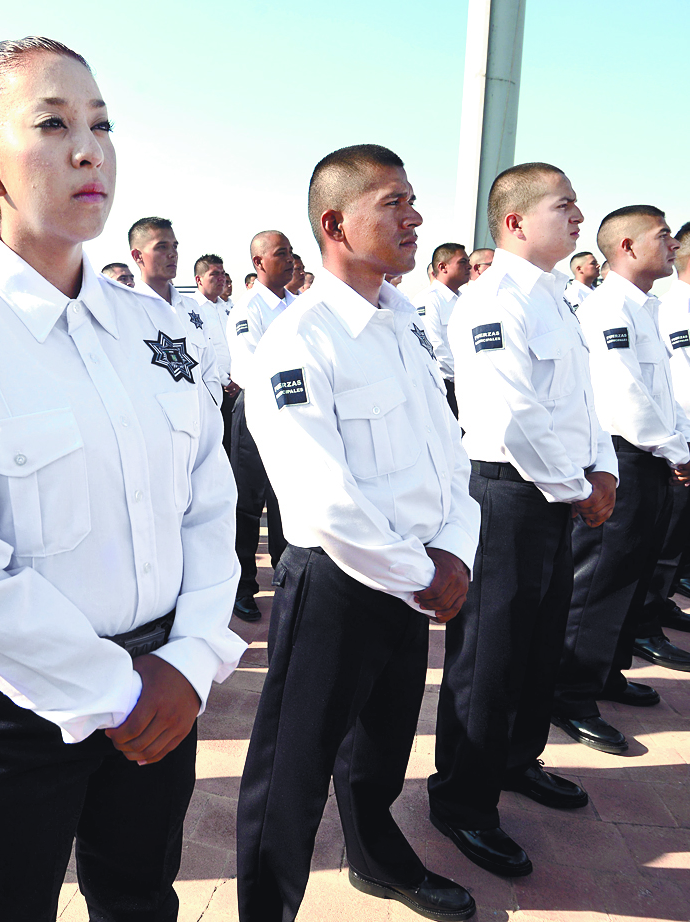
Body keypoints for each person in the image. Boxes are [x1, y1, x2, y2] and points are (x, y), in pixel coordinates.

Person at [0, 36, 245, 922]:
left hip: (162, 687)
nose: (89, 149)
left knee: (137, 901)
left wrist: (190, 661)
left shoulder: (152, 330)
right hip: (13, 710)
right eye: (51, 125)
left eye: (100, 123)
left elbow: (208, 503)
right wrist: (119, 691)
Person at [237, 144, 479, 922]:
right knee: (292, 773)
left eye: (413, 202)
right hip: (342, 581)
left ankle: (377, 860)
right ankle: (266, 909)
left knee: (379, 750)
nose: (414, 218)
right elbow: (320, 492)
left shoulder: (402, 325)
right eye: (393, 204)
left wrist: (454, 551)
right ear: (335, 222)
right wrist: (423, 568)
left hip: (415, 575)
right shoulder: (300, 338)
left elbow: (448, 452)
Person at [431, 162, 617, 877]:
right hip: (506, 495)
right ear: (513, 221)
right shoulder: (488, 299)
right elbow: (511, 414)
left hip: (558, 493)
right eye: (563, 205)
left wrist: (602, 470)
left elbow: (579, 402)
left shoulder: (559, 300)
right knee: (489, 657)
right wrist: (578, 485)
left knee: (537, 646)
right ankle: (461, 801)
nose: (577, 217)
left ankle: (515, 760)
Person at [552, 206, 690, 755]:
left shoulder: (645, 306)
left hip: (654, 456)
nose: (672, 244)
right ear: (628, 246)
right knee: (600, 581)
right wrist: (678, 446)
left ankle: (605, 672)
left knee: (632, 574)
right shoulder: (610, 308)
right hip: (625, 457)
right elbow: (626, 394)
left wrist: (675, 441)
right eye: (662, 236)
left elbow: (667, 391)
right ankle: (570, 694)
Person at [225, 230, 295, 622]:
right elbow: (250, 368)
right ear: (258, 262)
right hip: (257, 413)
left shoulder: (298, 305)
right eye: (280, 254)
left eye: (291, 253)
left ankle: (287, 579)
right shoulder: (248, 309)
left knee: (287, 501)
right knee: (248, 507)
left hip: (295, 415)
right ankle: (244, 587)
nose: (289, 260)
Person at [129, 216, 222, 404]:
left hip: (202, 421)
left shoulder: (191, 308)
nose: (172, 254)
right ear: (138, 256)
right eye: (162, 247)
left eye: (175, 246)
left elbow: (209, 369)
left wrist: (208, 410)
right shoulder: (127, 310)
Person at [653, 221, 690, 629]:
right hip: (678, 439)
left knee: (676, 537)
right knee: (664, 538)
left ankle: (658, 605)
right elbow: (679, 382)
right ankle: (648, 618)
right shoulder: (672, 308)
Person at [413, 242, 471, 416]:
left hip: (463, 384)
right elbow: (433, 346)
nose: (469, 266)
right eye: (462, 262)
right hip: (443, 385)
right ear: (442, 267)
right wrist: (463, 376)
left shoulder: (464, 300)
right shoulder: (429, 300)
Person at [192, 254, 238, 453]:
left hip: (237, 385)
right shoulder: (191, 309)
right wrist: (225, 380)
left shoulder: (230, 308)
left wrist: (238, 377)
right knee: (216, 445)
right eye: (214, 274)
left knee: (236, 443)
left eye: (223, 274)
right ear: (199, 279)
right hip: (212, 388)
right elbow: (201, 349)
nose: (221, 279)